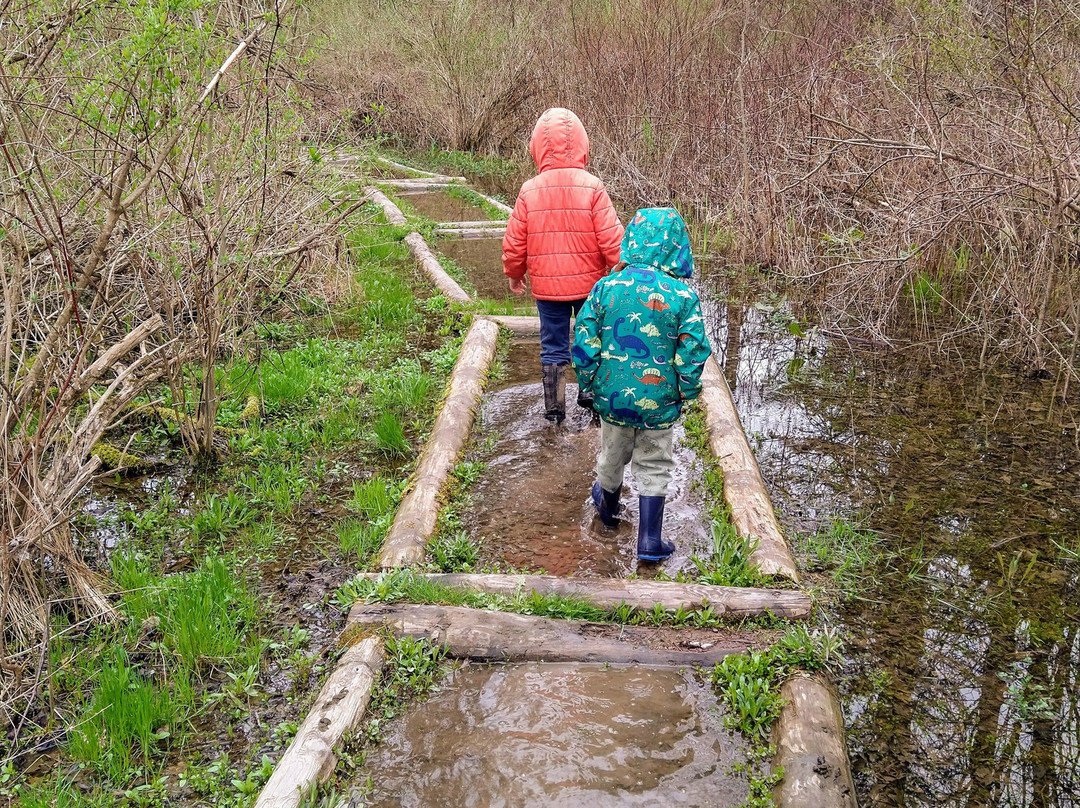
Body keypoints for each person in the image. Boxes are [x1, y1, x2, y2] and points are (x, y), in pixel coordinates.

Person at [571, 207, 712, 562]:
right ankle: (650, 541)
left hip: (613, 396)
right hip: (660, 399)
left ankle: (608, 509)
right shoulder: (682, 296)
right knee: (654, 462)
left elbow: (585, 339)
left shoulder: (606, 287)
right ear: (676, 246)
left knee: (612, 454)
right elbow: (693, 350)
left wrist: (587, 383)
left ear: (631, 240)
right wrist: (687, 389)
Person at [503, 108, 624, 424]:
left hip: (547, 289)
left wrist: (515, 273)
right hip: (590, 289)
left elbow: (515, 240)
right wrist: (619, 270)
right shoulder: (593, 186)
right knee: (593, 340)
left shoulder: (530, 189)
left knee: (553, 346)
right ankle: (592, 400)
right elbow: (612, 239)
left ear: (537, 148)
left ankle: (554, 412)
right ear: (583, 145)